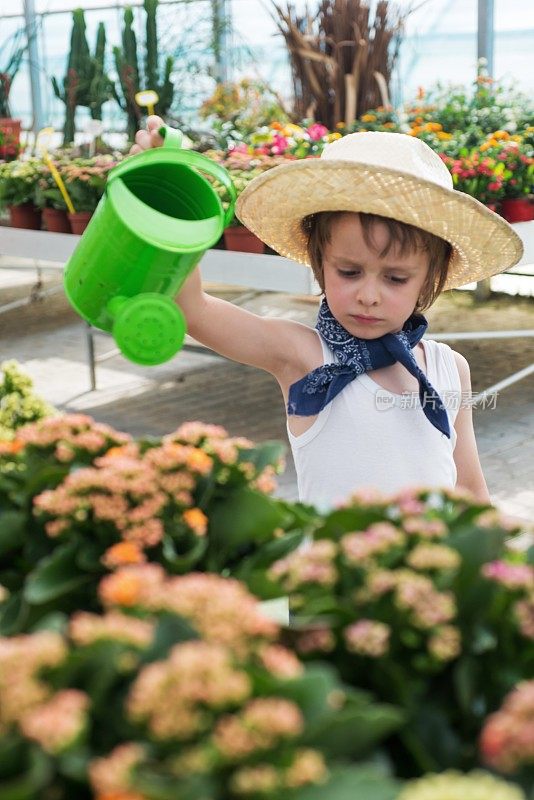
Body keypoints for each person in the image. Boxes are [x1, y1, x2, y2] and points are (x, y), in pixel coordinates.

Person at [130, 116, 523, 508]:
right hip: (330, 570)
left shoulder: (450, 369)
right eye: (349, 272)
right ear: (319, 263)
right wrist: (166, 198)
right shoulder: (302, 357)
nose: (369, 295)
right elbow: (194, 310)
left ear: (430, 278)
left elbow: (472, 495)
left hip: (427, 569)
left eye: (396, 278)